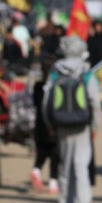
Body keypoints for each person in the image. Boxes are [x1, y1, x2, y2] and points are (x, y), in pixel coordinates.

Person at [42, 36, 101, 203]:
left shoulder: (55, 71)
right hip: (82, 125)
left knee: (65, 164)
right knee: (81, 164)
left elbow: (46, 103)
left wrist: (49, 124)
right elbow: (95, 102)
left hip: (61, 124)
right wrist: (95, 126)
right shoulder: (86, 72)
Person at [31, 55, 59, 194]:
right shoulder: (55, 87)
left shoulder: (37, 86)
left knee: (41, 151)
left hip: (39, 124)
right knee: (55, 154)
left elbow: (35, 104)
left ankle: (36, 170)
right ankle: (53, 182)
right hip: (53, 124)